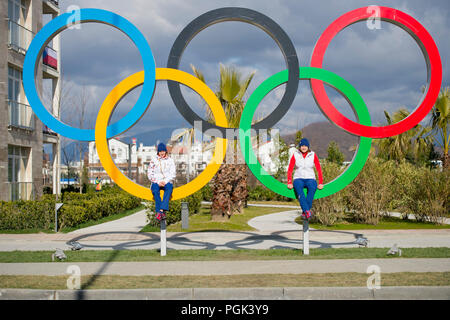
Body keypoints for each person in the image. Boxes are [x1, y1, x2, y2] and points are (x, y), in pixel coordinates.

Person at [287, 138, 324, 219]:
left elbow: (318, 168)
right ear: (299, 147)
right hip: (298, 178)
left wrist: (320, 182)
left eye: (305, 146)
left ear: (308, 147)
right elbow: (290, 168)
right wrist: (289, 182)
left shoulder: (313, 155)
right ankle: (307, 211)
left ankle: (305, 212)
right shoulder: (295, 154)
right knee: (300, 191)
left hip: (310, 178)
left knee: (312, 188)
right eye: (302, 146)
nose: (303, 147)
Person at [147, 142, 176, 222]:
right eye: (160, 151)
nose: (162, 153)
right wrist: (158, 181)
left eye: (163, 151)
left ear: (166, 151)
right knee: (155, 191)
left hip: (167, 181)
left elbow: (173, 173)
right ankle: (161, 212)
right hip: (156, 181)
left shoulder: (170, 161)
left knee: (169, 189)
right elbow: (150, 173)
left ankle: (160, 211)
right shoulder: (153, 161)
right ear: (158, 152)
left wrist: (165, 181)